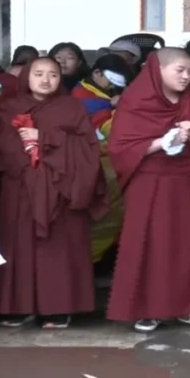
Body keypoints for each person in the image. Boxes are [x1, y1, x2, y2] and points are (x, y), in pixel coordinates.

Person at [106, 48, 190, 332]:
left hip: (186, 182)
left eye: (189, 71)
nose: (187, 76)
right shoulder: (134, 102)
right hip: (148, 182)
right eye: (179, 70)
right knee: (149, 244)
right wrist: (162, 143)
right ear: (157, 70)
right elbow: (120, 149)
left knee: (189, 245)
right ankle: (147, 309)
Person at [0, 57, 107, 329]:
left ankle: (59, 308)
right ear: (27, 77)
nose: (46, 80)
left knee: (57, 250)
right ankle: (19, 307)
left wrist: (45, 138)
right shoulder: (8, 107)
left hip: (60, 188)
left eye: (53, 74)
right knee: (18, 246)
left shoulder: (72, 108)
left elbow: (88, 149)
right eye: (38, 74)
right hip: (21, 188)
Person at [71, 54, 131, 267]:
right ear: (96, 73)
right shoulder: (84, 98)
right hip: (95, 165)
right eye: (110, 82)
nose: (112, 87)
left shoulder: (98, 95)